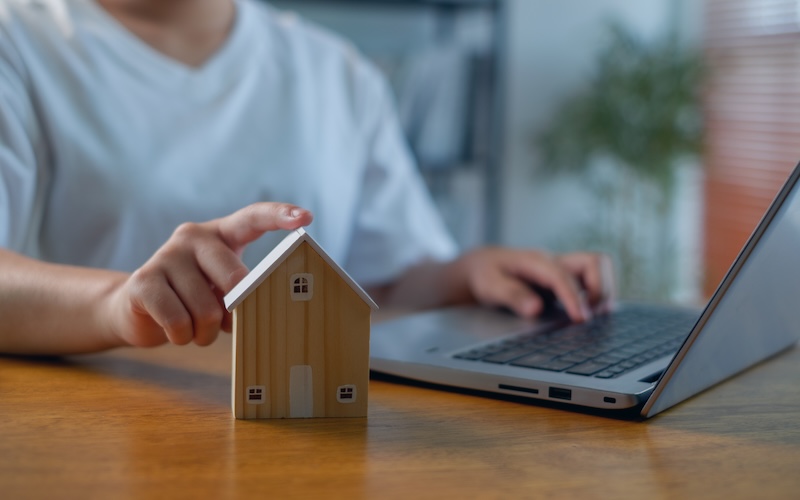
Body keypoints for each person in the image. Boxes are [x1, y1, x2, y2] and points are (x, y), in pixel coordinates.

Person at [0, 0, 613, 355]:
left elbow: (386, 283)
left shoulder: (335, 70)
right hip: (107, 430)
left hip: (315, 429)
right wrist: (119, 307)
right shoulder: (20, 41)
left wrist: (470, 275)